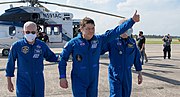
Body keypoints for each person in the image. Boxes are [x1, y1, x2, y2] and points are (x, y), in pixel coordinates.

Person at [58, 11, 140, 97]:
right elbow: (62, 59)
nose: (91, 31)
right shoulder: (73, 43)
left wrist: (132, 21)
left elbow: (116, 32)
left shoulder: (98, 40)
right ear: (81, 29)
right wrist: (62, 77)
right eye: (88, 29)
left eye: (93, 28)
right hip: (79, 80)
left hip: (93, 80)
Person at [6, 21, 59, 97]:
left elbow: (51, 56)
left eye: (33, 32)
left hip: (38, 82)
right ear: (23, 32)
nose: (30, 34)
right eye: (27, 32)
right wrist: (9, 81)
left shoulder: (41, 45)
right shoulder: (17, 46)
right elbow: (10, 64)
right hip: (23, 82)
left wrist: (63, 57)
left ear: (37, 33)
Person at [101, 19, 142, 97]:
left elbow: (136, 57)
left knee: (126, 94)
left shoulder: (132, 42)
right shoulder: (112, 40)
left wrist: (139, 72)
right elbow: (99, 51)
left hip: (127, 74)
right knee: (116, 95)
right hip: (115, 73)